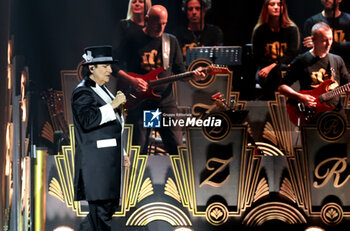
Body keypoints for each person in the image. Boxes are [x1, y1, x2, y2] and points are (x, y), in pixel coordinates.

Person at [115, 5, 206, 156]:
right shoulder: (132, 39)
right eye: (158, 23)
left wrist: (193, 75)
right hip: (139, 103)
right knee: (138, 150)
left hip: (164, 104)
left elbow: (181, 72)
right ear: (147, 19)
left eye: (164, 23)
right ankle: (136, 179)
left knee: (176, 148)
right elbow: (113, 66)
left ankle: (180, 179)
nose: (161, 27)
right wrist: (132, 81)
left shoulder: (170, 41)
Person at [71, 45, 130, 231]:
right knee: (101, 215)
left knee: (104, 212)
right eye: (105, 66)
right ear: (91, 68)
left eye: (110, 66)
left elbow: (112, 127)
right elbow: (88, 121)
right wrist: (113, 105)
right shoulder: (82, 92)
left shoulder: (102, 89)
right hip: (96, 167)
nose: (110, 71)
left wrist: (123, 153)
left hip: (107, 165)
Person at [278, 22, 350, 124]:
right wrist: (301, 97)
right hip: (312, 117)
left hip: (336, 115)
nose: (329, 43)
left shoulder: (337, 60)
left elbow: (347, 84)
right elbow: (282, 87)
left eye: (330, 39)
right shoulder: (301, 61)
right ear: (313, 40)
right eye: (324, 40)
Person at [252, 0, 300, 100]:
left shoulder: (291, 29)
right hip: (265, 69)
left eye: (279, 4)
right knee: (271, 74)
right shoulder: (260, 30)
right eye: (272, 4)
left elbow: (291, 54)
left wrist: (273, 65)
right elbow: (258, 56)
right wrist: (270, 67)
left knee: (278, 72)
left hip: (286, 67)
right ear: (266, 7)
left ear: (284, 8)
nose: (276, 7)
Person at [303, 0, 350, 71]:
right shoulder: (312, 22)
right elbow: (306, 49)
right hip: (319, 69)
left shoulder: (348, 20)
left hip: (346, 68)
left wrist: (322, 44)